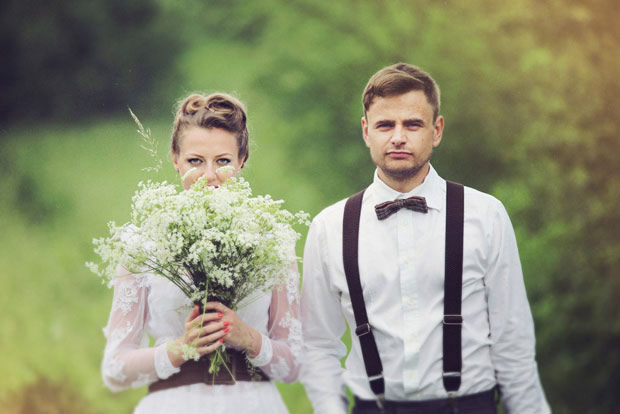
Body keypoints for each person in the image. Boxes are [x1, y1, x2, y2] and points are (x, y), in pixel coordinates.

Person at [300, 63, 550, 413]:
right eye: (385, 125)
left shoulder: (486, 215)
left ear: (437, 130)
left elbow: (513, 344)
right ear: (366, 131)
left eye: (412, 124)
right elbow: (317, 344)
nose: (398, 137)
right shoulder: (330, 226)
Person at [101, 93, 302, 414]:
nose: (209, 175)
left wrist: (249, 338)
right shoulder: (143, 244)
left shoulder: (272, 240)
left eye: (223, 161)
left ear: (242, 160)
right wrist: (179, 349)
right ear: (175, 159)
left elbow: (293, 367)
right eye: (195, 161)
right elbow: (114, 370)